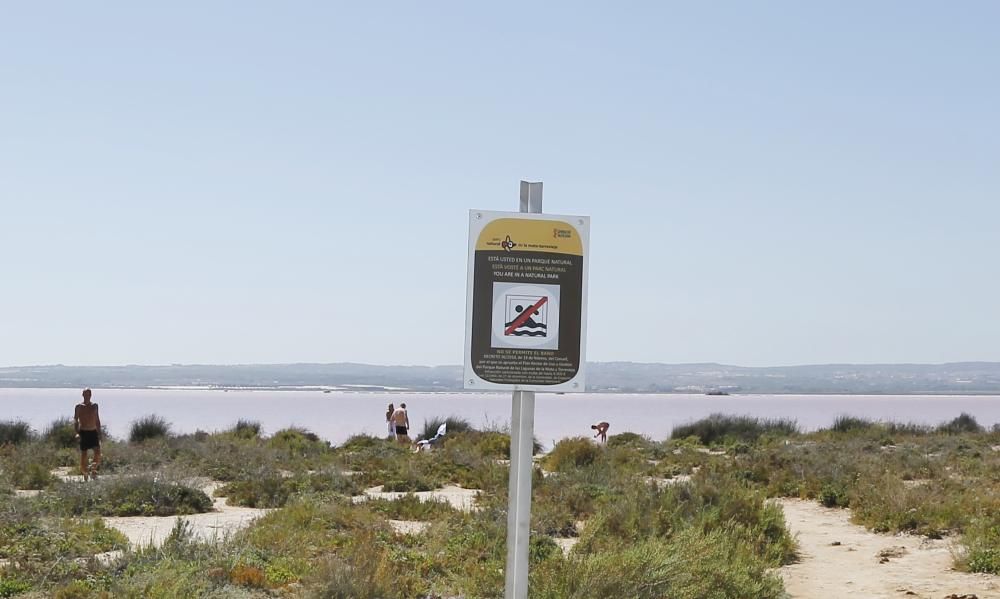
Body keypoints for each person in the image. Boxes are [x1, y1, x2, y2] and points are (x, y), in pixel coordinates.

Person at [74, 388, 102, 480]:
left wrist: (99, 433)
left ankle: (93, 470)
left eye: (89, 394)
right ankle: (85, 473)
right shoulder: (79, 407)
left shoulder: (95, 406)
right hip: (84, 432)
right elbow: (76, 420)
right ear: (82, 395)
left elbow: (97, 419)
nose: (87, 396)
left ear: (91, 395)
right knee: (84, 455)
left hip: (93, 432)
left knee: (98, 453)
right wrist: (77, 433)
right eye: (85, 394)